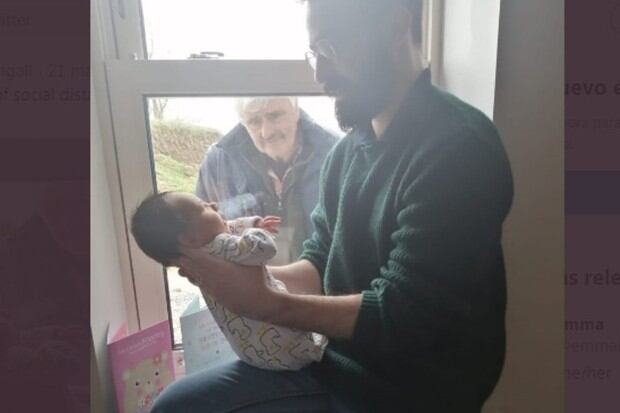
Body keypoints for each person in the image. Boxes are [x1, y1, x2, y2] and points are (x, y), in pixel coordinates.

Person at [154, 0, 513, 411]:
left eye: (331, 48)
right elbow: (319, 262)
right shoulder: (345, 155)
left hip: (406, 390)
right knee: (176, 403)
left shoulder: (457, 148)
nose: (320, 73)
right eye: (314, 53)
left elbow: (405, 315)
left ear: (395, 28)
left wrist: (266, 304)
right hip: (333, 360)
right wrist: (246, 277)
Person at [130, 192, 328, 370]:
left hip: (254, 354)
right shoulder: (220, 246)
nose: (214, 204)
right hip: (290, 346)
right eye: (203, 207)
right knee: (322, 339)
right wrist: (253, 231)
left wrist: (249, 223)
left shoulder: (196, 260)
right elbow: (264, 248)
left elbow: (223, 228)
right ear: (189, 238)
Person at [195, 96, 337, 265]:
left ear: (296, 111)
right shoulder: (217, 163)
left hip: (323, 287)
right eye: (254, 121)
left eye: (275, 116)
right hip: (247, 287)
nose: (267, 132)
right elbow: (201, 242)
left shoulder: (337, 152)